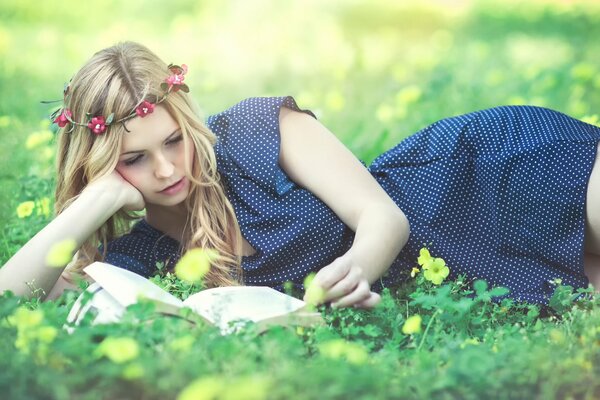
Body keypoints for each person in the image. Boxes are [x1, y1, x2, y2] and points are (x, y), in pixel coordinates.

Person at [1, 41, 599, 309]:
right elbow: (12, 299)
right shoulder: (143, 257)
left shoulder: (254, 133)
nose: (165, 169)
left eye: (175, 141)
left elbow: (382, 215)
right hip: (473, 268)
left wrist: (357, 271)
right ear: (102, 162)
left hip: (484, 177)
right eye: (133, 159)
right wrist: (95, 201)